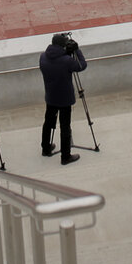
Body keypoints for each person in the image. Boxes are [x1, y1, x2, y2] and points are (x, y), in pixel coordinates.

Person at [40, 33, 86, 165]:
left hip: (50, 96)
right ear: (62, 46)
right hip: (65, 98)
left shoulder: (43, 57)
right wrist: (76, 49)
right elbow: (82, 65)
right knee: (65, 126)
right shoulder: (66, 60)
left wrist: (65, 53)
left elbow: (56, 62)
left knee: (48, 122)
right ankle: (65, 156)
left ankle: (46, 148)